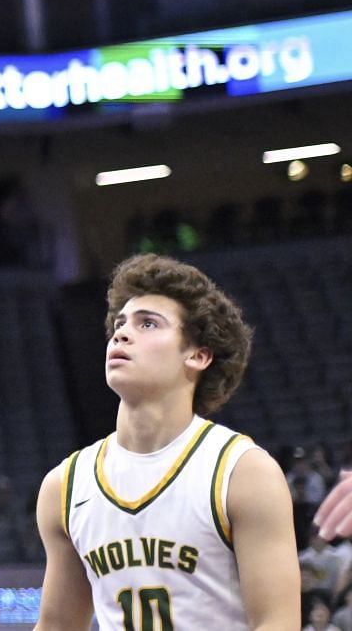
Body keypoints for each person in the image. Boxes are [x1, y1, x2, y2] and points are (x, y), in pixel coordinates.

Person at [30, 254, 299, 631]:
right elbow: (57, 625)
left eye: (148, 324)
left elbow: (277, 622)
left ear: (198, 354)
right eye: (120, 324)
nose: (122, 334)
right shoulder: (65, 484)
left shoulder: (243, 471)